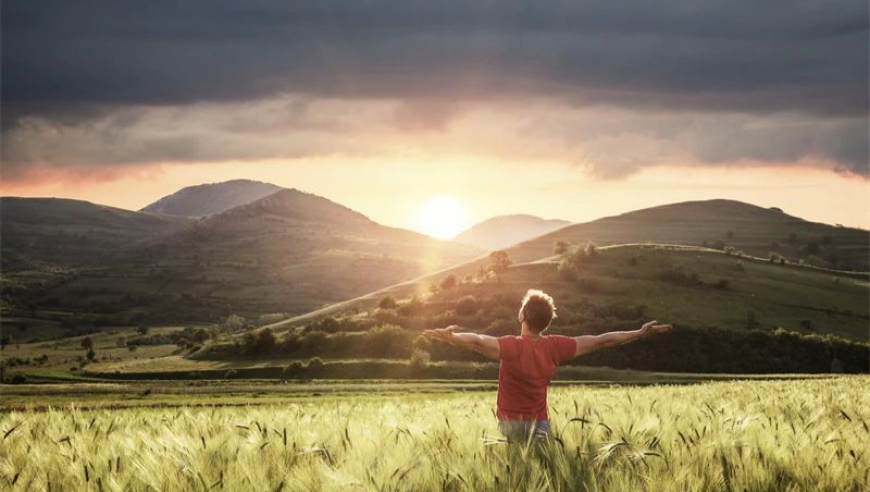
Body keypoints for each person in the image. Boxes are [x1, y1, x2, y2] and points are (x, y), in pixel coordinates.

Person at [423, 289, 672, 441]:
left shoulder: (511, 346)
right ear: (547, 323)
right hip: (540, 424)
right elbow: (601, 341)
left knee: (515, 477)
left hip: (509, 424)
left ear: (522, 316)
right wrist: (639, 333)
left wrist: (452, 338)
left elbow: (477, 341)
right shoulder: (556, 346)